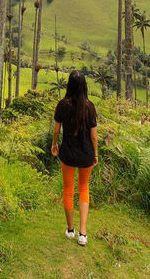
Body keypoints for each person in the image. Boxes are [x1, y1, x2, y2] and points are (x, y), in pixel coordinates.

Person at [51, 70, 98, 247]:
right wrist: (95, 154)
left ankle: (70, 230)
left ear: (69, 85)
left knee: (68, 189)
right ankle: (83, 233)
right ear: (84, 86)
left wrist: (54, 144)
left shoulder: (62, 105)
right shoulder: (90, 107)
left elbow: (56, 130)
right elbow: (94, 136)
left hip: (68, 154)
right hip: (86, 154)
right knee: (84, 188)